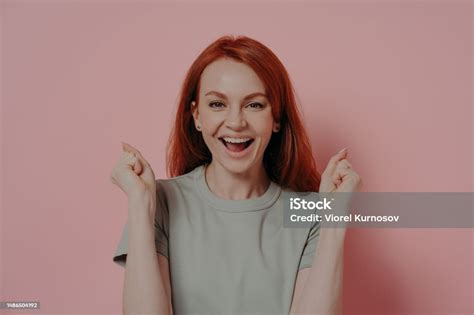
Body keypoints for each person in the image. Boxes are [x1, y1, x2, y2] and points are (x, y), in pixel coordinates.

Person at [110, 35, 361, 315]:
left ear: (276, 118)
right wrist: (140, 203)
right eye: (217, 104)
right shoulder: (159, 202)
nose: (235, 122)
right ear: (196, 116)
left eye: (254, 105)